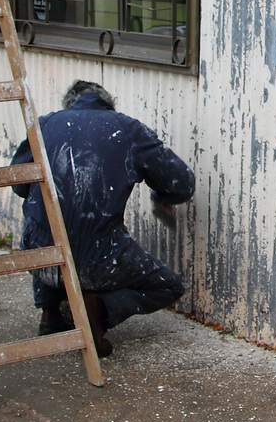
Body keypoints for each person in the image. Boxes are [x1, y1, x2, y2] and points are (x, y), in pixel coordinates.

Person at [11, 80, 194, 356]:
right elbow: (181, 182)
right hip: (100, 261)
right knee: (169, 285)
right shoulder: (127, 129)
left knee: (44, 214)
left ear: (69, 104)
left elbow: (19, 186)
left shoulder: (45, 125)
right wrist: (162, 198)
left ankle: (50, 315)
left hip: (40, 257)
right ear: (109, 104)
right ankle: (99, 306)